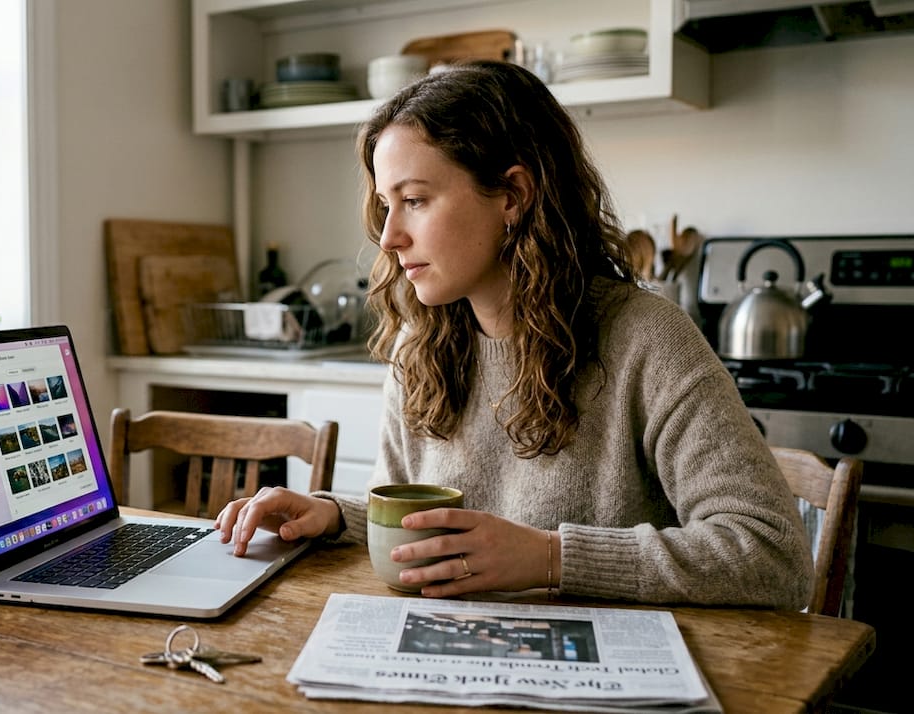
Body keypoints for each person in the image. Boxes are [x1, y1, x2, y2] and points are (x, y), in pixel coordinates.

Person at [215, 62, 812, 610]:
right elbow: (421, 525)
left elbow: (773, 556)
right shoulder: (418, 346)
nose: (390, 236)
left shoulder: (647, 338)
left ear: (513, 196)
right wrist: (330, 516)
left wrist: (551, 558)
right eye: (385, 206)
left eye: (415, 200)